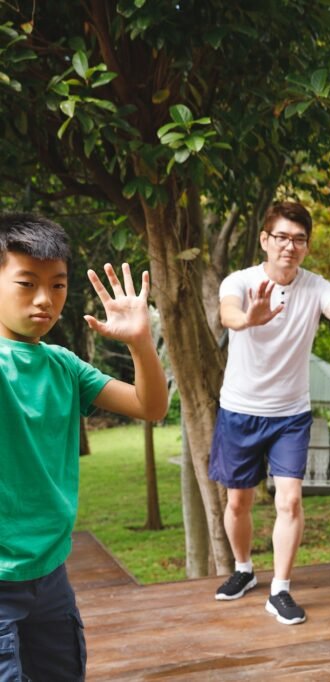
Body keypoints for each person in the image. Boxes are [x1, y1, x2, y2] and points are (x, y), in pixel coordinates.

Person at [0, 213, 168, 681]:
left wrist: (140, 342)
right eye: (26, 283)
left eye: (57, 286)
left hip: (50, 573)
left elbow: (149, 406)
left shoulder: (63, 365)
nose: (44, 300)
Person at [209, 201, 330, 625]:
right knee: (238, 501)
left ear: (306, 246)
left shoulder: (315, 287)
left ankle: (279, 589)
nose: (290, 247)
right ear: (265, 240)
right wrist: (248, 318)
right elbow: (227, 313)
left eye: (299, 240)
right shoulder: (240, 282)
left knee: (291, 500)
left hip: (291, 414)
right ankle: (243, 570)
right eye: (282, 237)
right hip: (239, 410)